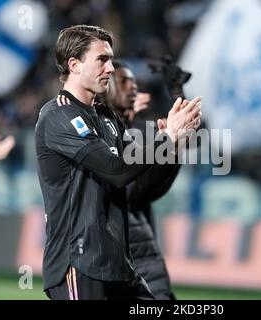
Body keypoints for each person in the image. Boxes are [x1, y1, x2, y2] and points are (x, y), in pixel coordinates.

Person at [35, 25, 201, 300]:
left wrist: (174, 145)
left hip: (119, 267)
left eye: (111, 59)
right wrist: (165, 138)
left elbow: (142, 182)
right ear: (74, 65)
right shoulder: (58, 115)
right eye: (102, 59)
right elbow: (117, 170)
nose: (110, 68)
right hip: (78, 265)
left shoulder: (106, 116)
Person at [105, 60, 182, 299]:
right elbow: (135, 189)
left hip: (140, 248)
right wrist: (170, 142)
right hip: (117, 254)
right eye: (125, 81)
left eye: (134, 81)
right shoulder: (97, 134)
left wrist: (177, 94)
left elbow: (154, 185)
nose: (133, 86)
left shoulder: (138, 130)